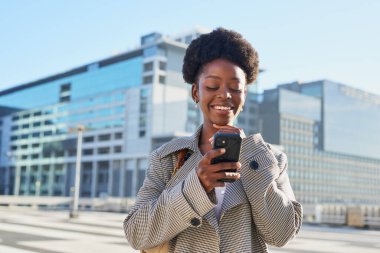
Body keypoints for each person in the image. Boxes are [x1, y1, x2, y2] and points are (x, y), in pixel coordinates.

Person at [124, 27, 302, 253]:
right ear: (196, 93)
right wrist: (196, 186)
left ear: (244, 96)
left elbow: (281, 234)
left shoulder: (270, 159)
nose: (225, 94)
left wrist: (253, 164)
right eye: (212, 86)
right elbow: (136, 234)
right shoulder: (166, 158)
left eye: (235, 88)